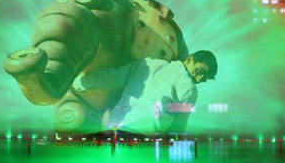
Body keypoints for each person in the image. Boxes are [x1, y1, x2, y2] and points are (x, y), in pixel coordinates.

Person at [72, 50, 217, 133]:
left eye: (204, 79)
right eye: (199, 71)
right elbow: (179, 126)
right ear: (190, 59)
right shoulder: (189, 89)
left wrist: (80, 83)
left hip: (116, 128)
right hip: (143, 139)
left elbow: (113, 77)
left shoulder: (148, 64)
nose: (198, 79)